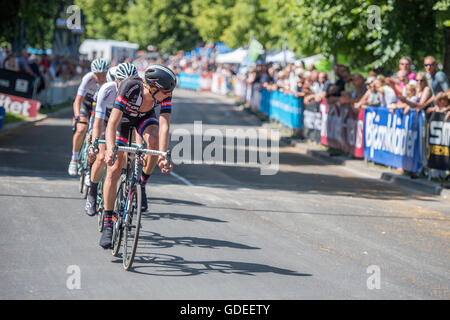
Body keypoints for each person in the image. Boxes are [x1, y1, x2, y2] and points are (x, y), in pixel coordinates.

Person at [99, 64, 176, 249]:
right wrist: (110, 149)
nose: (168, 95)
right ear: (154, 87)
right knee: (115, 168)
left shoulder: (165, 93)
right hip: (122, 121)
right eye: (165, 92)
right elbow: (112, 123)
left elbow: (164, 124)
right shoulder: (130, 87)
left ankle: (141, 183)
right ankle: (108, 221)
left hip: (144, 118)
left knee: (155, 142)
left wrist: (163, 155)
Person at [83, 65, 123, 216]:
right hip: (104, 120)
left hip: (121, 122)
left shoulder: (131, 91)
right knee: (100, 157)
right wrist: (94, 137)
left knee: (126, 157)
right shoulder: (106, 89)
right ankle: (92, 193)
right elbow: (98, 119)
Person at [68, 58, 109, 176]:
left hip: (100, 105)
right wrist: (77, 117)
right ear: (93, 73)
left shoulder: (110, 80)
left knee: (96, 133)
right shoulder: (88, 79)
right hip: (86, 103)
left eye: (103, 75)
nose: (101, 78)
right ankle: (74, 159)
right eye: (98, 75)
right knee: (81, 129)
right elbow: (77, 101)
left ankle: (90, 168)